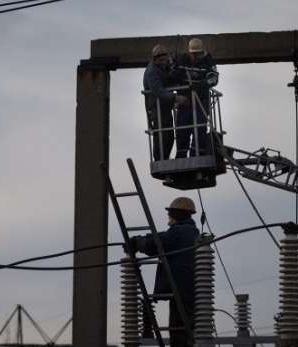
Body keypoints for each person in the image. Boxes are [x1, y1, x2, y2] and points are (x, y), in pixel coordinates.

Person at [128, 197, 199, 347]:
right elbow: (161, 237)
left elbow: (157, 243)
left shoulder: (179, 232)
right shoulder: (189, 231)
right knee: (186, 328)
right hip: (188, 288)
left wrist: (137, 243)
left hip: (180, 289)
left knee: (179, 331)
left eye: (170, 214)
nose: (169, 218)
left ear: (177, 214)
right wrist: (142, 239)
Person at [172, 38, 218, 158]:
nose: (196, 56)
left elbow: (214, 79)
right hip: (185, 102)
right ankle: (181, 156)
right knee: (182, 130)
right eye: (193, 54)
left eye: (198, 53)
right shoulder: (181, 61)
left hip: (201, 101)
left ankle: (196, 155)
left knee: (199, 130)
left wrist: (199, 85)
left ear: (202, 52)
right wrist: (174, 69)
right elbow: (172, 78)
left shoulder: (208, 62)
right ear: (189, 52)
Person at [143, 44, 187, 161]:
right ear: (155, 59)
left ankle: (165, 157)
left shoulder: (164, 67)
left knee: (169, 136)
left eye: (165, 59)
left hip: (165, 107)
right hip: (156, 107)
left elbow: (168, 80)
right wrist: (175, 97)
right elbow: (158, 90)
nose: (164, 62)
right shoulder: (152, 71)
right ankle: (160, 159)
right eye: (161, 60)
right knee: (161, 134)